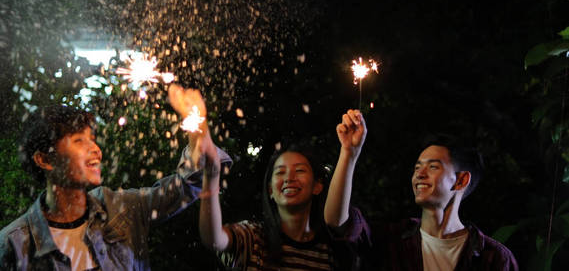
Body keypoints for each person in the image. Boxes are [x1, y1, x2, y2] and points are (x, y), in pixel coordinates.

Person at [0, 84, 231, 270]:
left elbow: (186, 185)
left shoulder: (122, 209)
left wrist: (196, 126)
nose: (96, 150)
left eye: (92, 139)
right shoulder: (13, 246)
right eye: (79, 141)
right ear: (45, 160)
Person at [191, 90, 371, 270]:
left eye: (299, 170)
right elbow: (214, 239)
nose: (289, 178)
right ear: (270, 190)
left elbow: (335, 220)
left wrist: (349, 152)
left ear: (317, 186)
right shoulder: (253, 239)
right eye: (280, 172)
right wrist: (211, 176)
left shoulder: (331, 250)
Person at [377, 135, 518, 270]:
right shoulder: (390, 241)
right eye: (417, 167)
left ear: (461, 180)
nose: (419, 174)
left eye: (433, 167)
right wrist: (353, 155)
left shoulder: (495, 258)